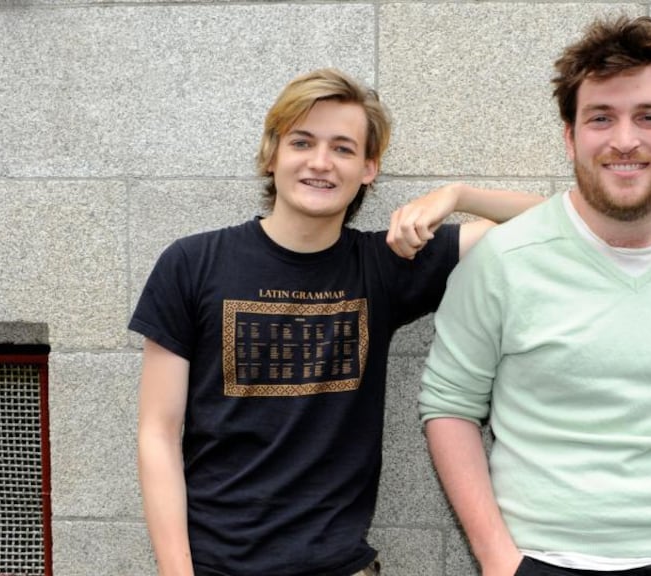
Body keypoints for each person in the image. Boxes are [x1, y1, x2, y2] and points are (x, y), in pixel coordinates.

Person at [131, 68, 542, 576]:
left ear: (369, 168)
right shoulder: (193, 263)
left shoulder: (386, 265)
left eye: (343, 149)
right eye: (302, 142)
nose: (321, 163)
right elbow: (158, 432)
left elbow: (555, 224)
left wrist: (456, 195)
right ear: (272, 154)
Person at [419, 16, 651, 576]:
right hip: (544, 561)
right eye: (600, 118)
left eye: (648, 117)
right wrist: (498, 560)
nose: (624, 140)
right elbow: (449, 408)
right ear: (570, 137)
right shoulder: (502, 261)